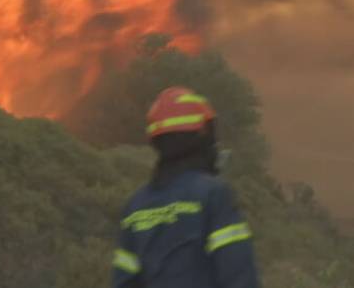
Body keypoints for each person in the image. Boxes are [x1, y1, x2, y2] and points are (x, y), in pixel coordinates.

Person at [111, 86, 260, 288]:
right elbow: (238, 275)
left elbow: (124, 282)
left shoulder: (135, 208)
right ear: (202, 135)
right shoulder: (212, 195)